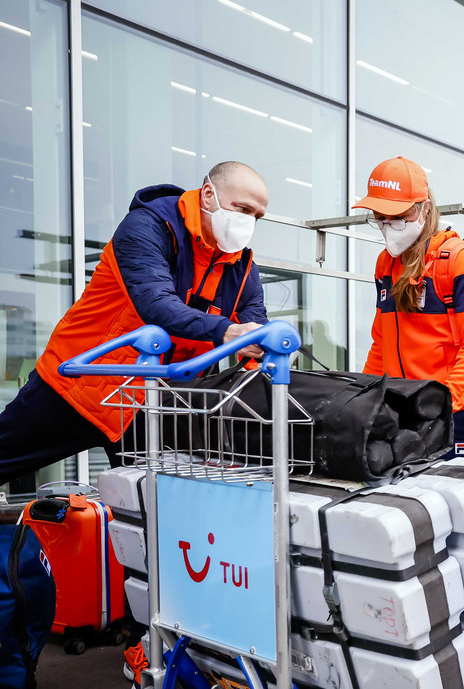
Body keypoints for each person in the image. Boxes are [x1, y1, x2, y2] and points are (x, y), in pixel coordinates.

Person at [0, 161, 269, 489]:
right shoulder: (149, 226)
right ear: (209, 195)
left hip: (149, 405)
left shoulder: (242, 266)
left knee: (156, 511)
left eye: (257, 216)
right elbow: (156, 304)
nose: (248, 222)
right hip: (76, 387)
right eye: (242, 209)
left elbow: (255, 326)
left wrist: (262, 350)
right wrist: (227, 332)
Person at [356, 157, 464, 458]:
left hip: (461, 412)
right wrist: (364, 397)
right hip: (408, 410)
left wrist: (443, 404)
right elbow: (381, 343)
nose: (386, 226)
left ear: (424, 208)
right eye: (379, 217)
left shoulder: (459, 261)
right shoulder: (386, 264)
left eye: (396, 216)